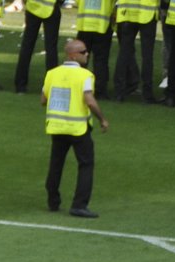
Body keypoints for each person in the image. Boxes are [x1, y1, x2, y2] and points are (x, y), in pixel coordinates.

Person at [41, 38, 109, 219]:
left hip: (57, 127)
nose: (87, 54)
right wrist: (102, 118)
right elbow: (89, 100)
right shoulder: (85, 76)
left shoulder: (52, 73)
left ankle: (53, 201)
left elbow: (43, 100)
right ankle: (79, 205)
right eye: (83, 52)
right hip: (78, 128)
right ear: (72, 55)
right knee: (86, 164)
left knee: (56, 163)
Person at [113, 0, 159, 101]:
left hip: (127, 12)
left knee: (124, 53)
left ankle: (119, 92)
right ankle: (147, 94)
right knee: (147, 55)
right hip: (147, 13)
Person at [14, 0, 62, 94]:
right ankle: (52, 84)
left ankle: (20, 85)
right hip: (50, 7)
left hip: (33, 6)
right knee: (51, 48)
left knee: (27, 46)